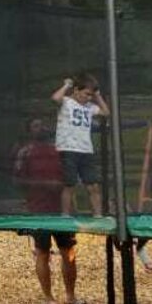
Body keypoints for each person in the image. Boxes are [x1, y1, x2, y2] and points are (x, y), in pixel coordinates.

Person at [52, 73, 109, 216]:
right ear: (76, 90)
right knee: (70, 184)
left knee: (93, 186)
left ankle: (98, 215)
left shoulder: (90, 106)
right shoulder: (66, 101)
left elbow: (106, 112)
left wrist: (97, 96)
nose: (88, 97)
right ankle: (65, 215)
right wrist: (67, 85)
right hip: (68, 148)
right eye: (86, 94)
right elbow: (55, 98)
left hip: (85, 150)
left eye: (91, 95)